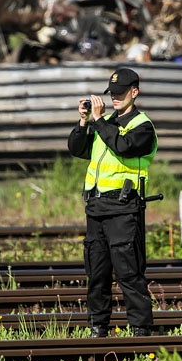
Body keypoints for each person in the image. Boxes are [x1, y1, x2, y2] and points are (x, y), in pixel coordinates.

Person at [68, 67, 158, 337]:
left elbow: (123, 146)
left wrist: (98, 121)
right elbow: (77, 148)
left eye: (120, 94)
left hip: (123, 208)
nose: (115, 98)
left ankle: (141, 331)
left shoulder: (143, 126)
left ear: (135, 92)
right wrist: (84, 122)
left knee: (129, 274)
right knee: (97, 274)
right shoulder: (102, 122)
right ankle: (98, 327)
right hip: (96, 208)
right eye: (112, 94)